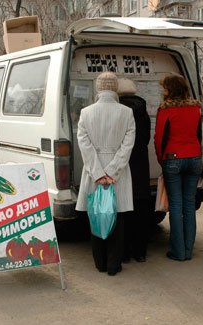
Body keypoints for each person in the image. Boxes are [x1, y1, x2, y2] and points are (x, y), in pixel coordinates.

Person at [76, 72, 136, 276]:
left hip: (94, 170)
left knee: (96, 216)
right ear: (115, 88)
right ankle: (113, 264)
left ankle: (99, 262)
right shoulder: (127, 112)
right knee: (117, 218)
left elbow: (84, 146)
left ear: (98, 88)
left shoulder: (86, 113)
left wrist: (98, 173)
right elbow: (128, 146)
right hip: (117, 173)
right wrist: (112, 172)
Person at [154, 74, 203, 261]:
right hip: (194, 157)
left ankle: (178, 252)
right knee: (189, 205)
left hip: (173, 159)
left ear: (169, 89)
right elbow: (198, 134)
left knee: (175, 205)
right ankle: (189, 250)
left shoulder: (165, 110)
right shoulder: (195, 108)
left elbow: (159, 139)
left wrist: (161, 159)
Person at [117, 78, 151, 263]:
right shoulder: (143, 109)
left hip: (124, 162)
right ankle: (141, 252)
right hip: (141, 161)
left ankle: (125, 252)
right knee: (141, 208)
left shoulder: (119, 111)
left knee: (124, 209)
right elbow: (146, 138)